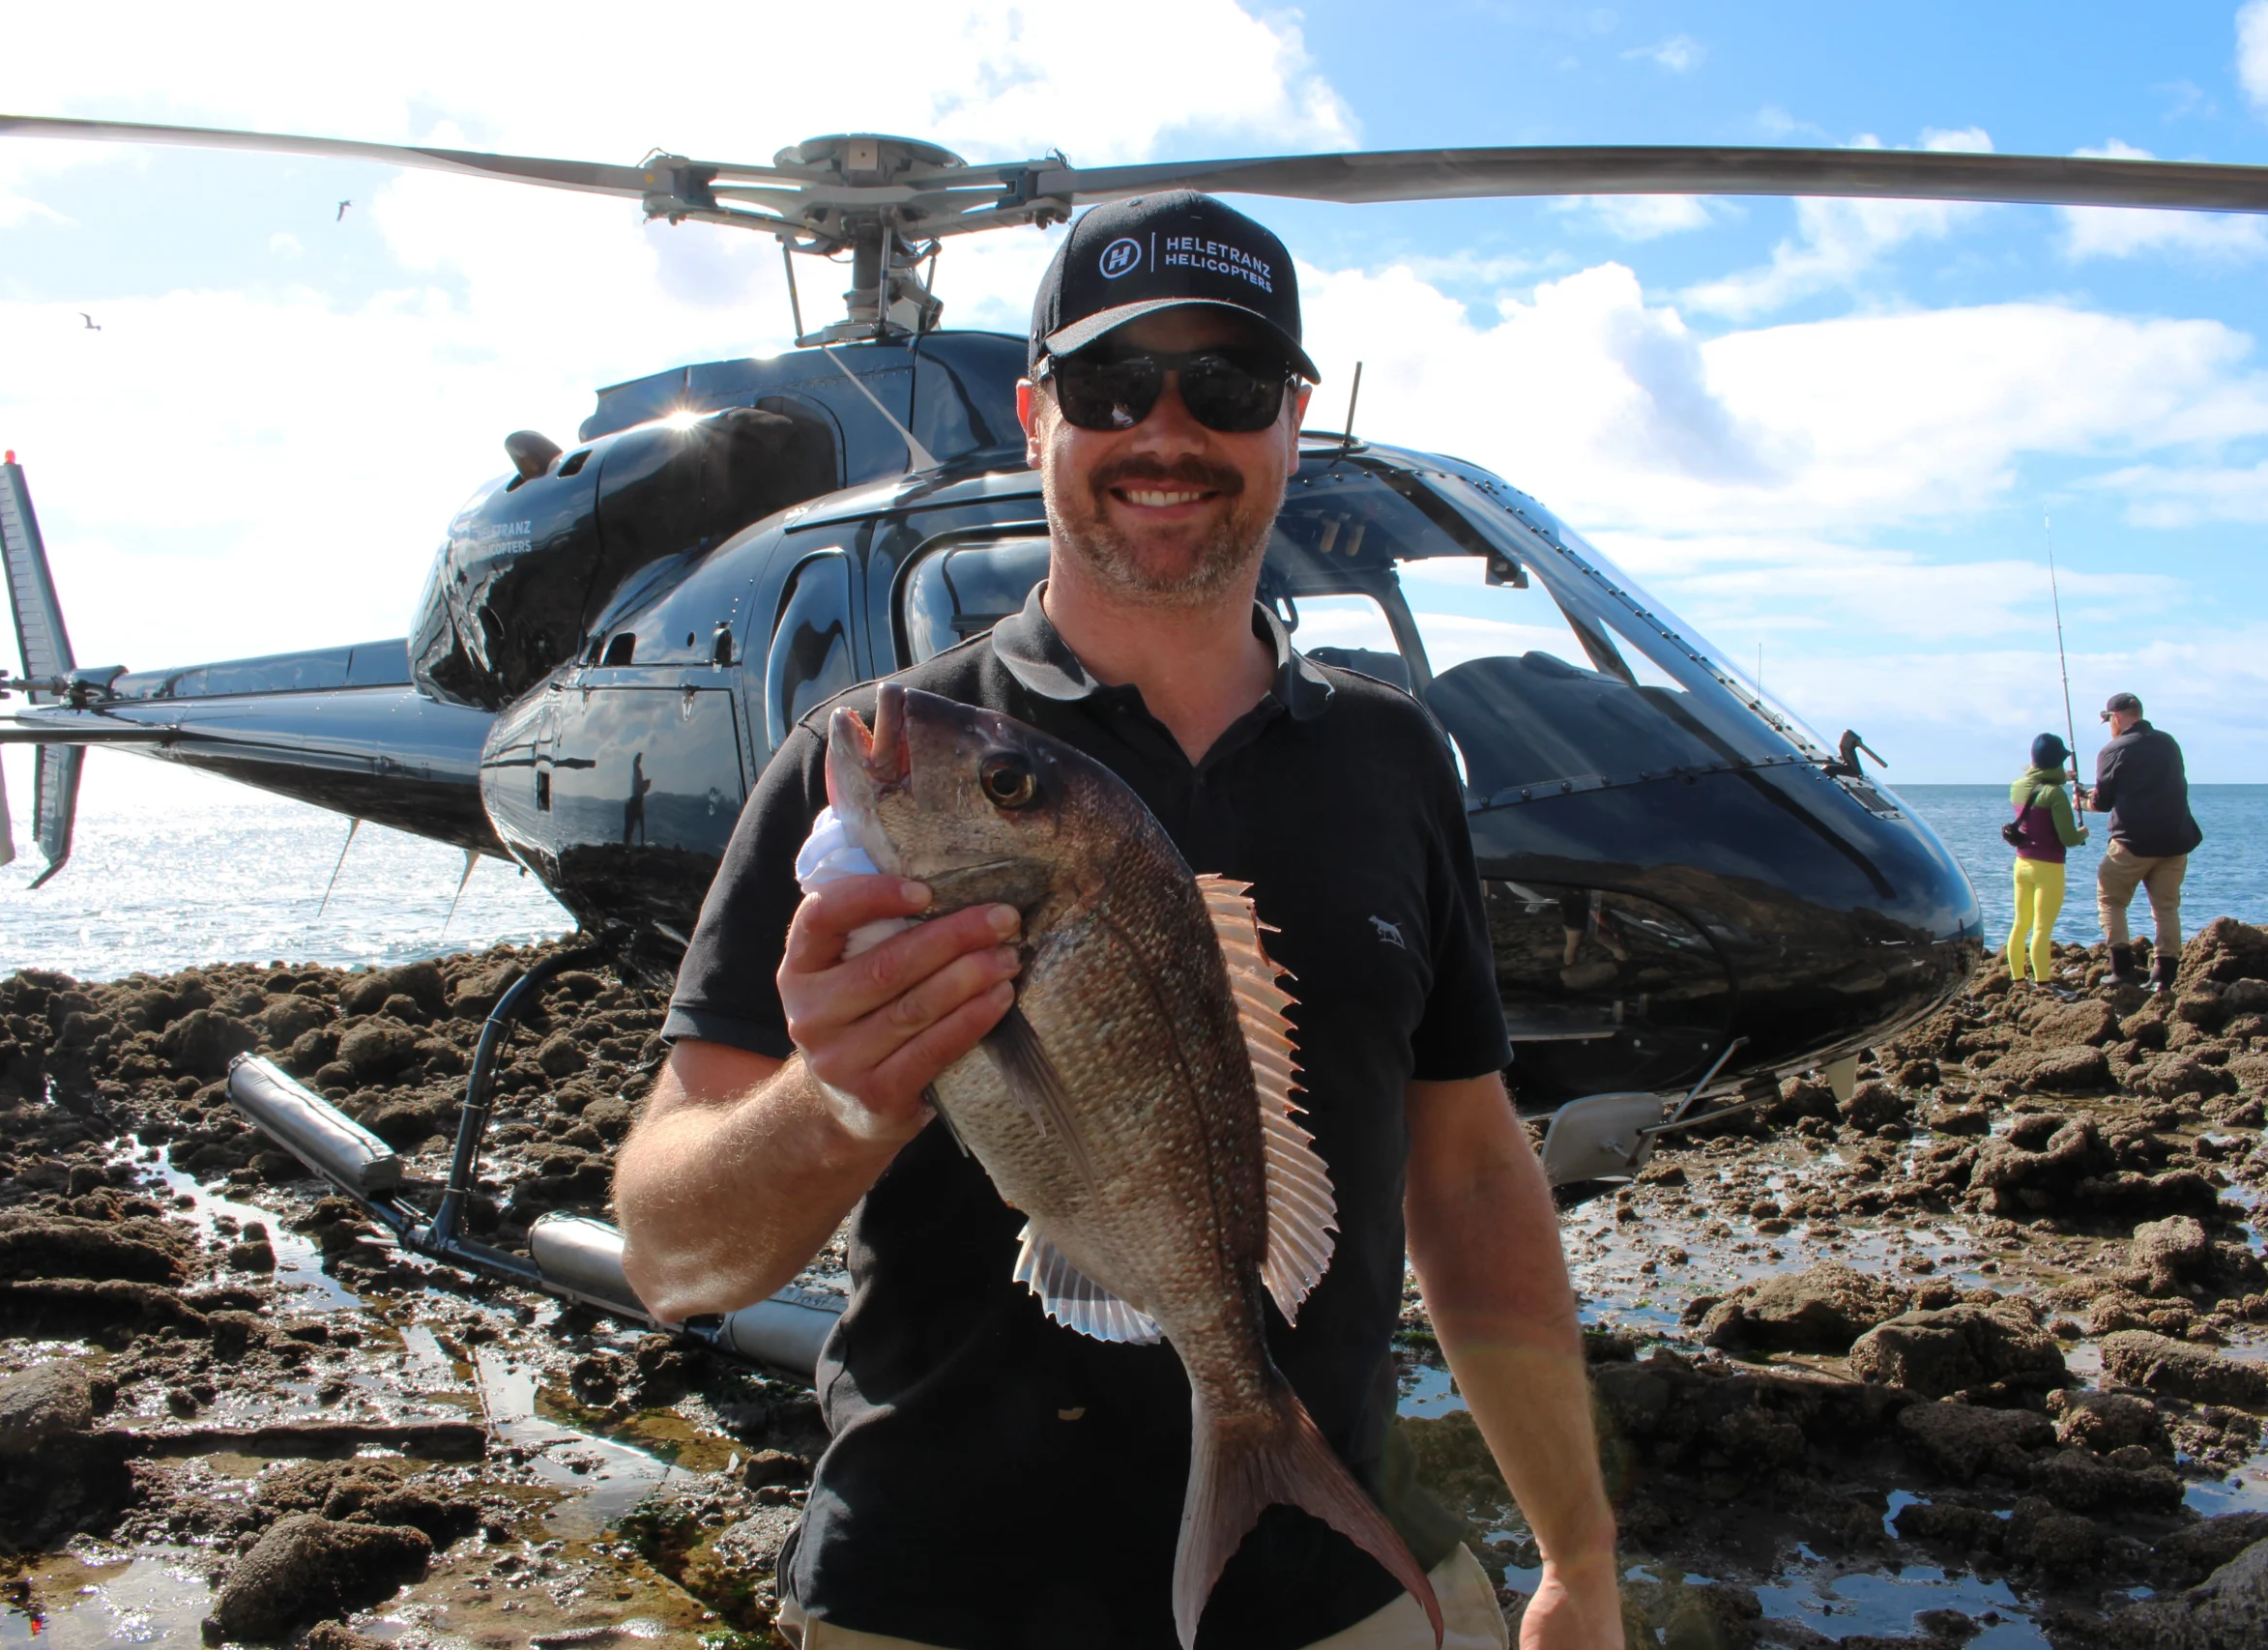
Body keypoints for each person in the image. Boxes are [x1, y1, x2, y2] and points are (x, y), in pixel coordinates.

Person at [615, 191, 1621, 1650]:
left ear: (1291, 419)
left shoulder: (1395, 760)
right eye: (1106, 383)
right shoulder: (873, 771)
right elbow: (667, 1257)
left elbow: (1467, 1177)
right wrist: (835, 1100)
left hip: (1345, 1591)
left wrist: (1576, 1552)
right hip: (931, 1593)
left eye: (1224, 385)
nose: (1167, 428)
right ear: (1033, 414)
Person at [2079, 691, 2202, 994]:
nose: (2109, 725)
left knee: (2111, 899)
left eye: (2108, 719)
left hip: (2132, 842)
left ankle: (2121, 970)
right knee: (2166, 907)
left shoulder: (2113, 749)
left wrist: (2080, 803)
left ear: (2117, 717)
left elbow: (2103, 802)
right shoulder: (2168, 743)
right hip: (2175, 839)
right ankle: (2164, 975)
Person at [2003, 733, 2087, 990]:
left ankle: (2018, 981)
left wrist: (2063, 779)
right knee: (2041, 928)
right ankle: (2043, 984)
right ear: (2057, 762)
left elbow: (2039, 784)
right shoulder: (2056, 795)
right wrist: (2083, 833)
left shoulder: (2017, 786)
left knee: (2020, 923)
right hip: (2048, 868)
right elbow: (2069, 838)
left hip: (2022, 865)